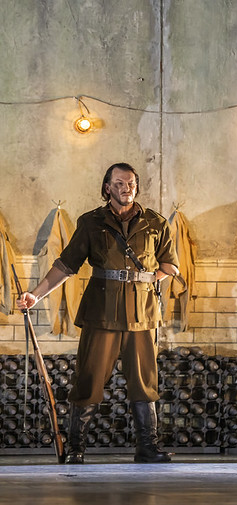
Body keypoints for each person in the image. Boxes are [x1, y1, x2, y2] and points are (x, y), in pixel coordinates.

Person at [17, 162, 179, 463]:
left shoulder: (156, 223)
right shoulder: (91, 222)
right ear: (107, 187)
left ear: (137, 187)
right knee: (89, 380)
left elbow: (169, 265)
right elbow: (66, 265)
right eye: (119, 183)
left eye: (130, 183)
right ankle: (76, 449)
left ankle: (147, 447)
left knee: (145, 382)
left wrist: (145, 279)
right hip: (101, 313)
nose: (126, 188)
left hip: (142, 315)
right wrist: (35, 295)